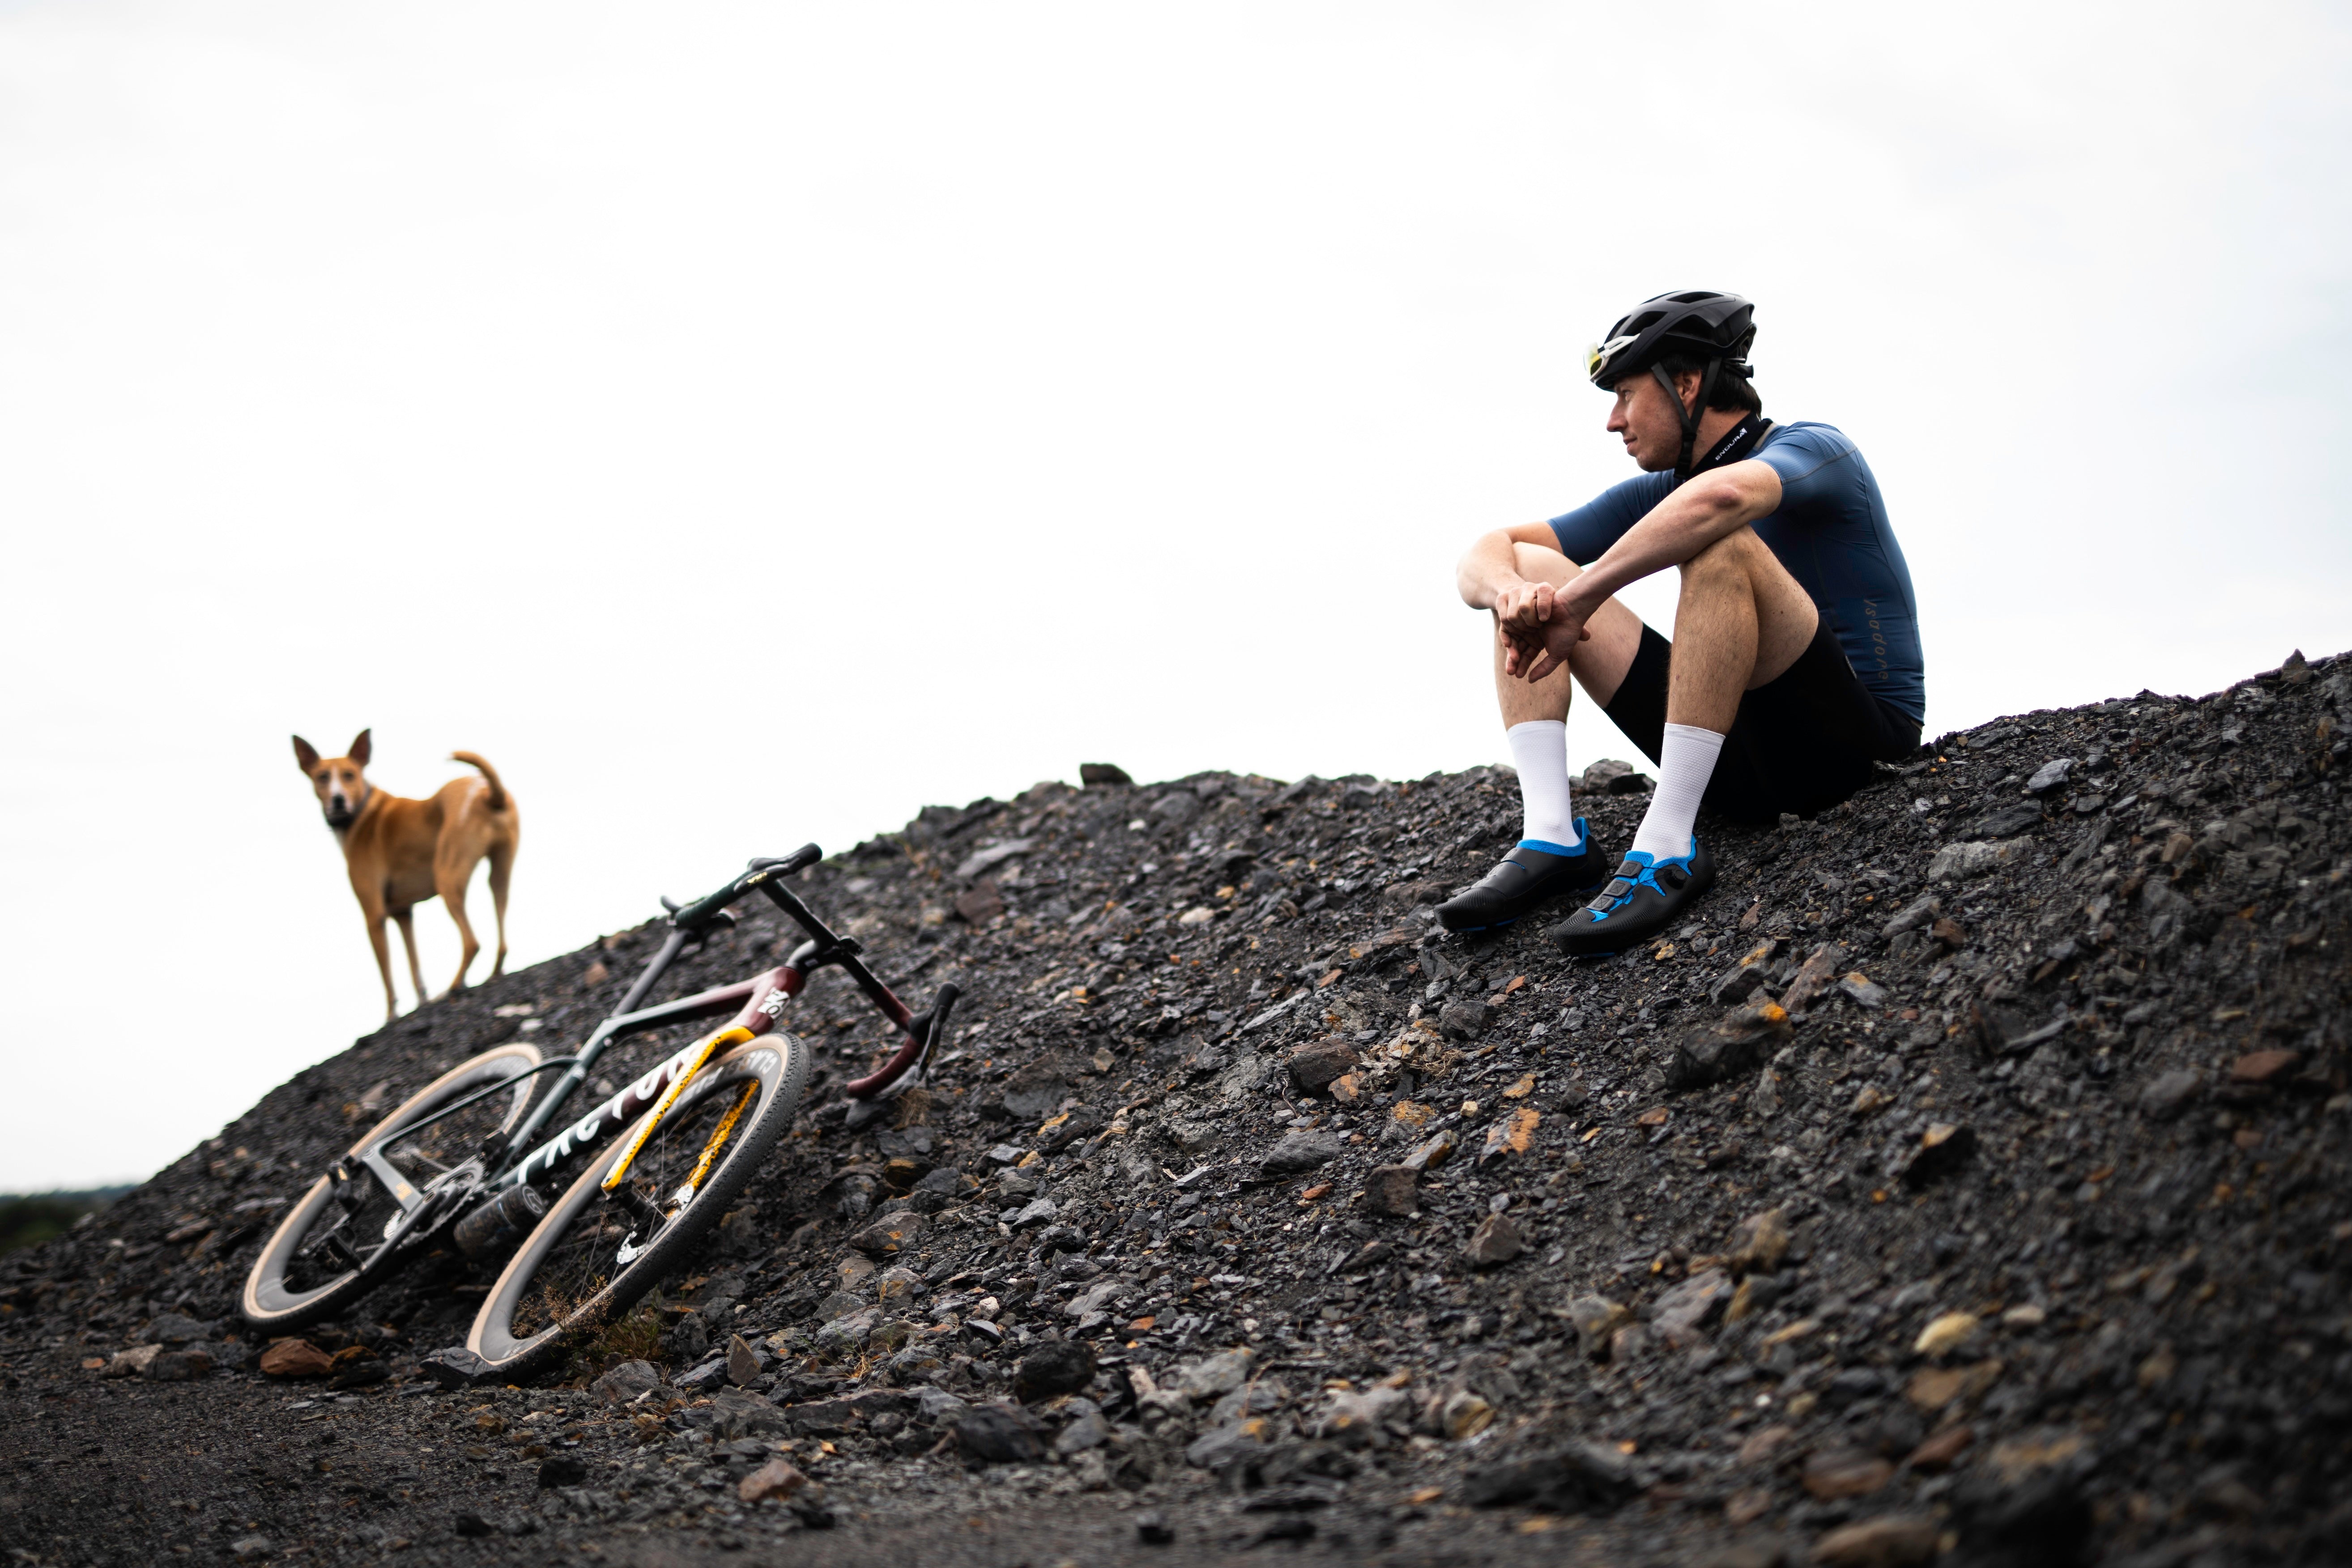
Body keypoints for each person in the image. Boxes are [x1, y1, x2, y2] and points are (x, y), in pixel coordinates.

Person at [1436, 290, 1926, 953]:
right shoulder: (1662, 489)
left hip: (1850, 752)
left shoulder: (1816, 450)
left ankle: (1667, 844)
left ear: (1688, 384)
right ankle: (1552, 834)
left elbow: (1723, 498)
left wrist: (1579, 600)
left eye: (1626, 395)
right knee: (1530, 567)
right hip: (1737, 765)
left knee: (1721, 541)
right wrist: (1511, 596)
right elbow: (1489, 548)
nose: (1614, 421)